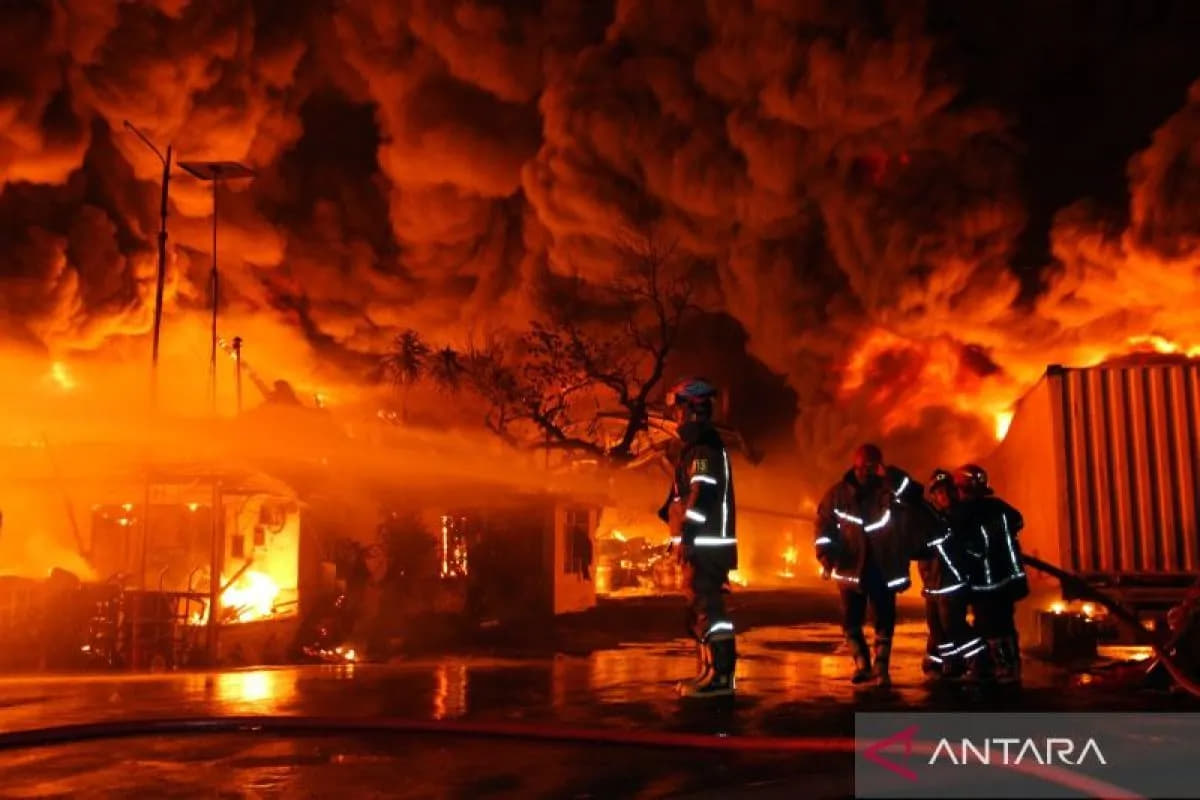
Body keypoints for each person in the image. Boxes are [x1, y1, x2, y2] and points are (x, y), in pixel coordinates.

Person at [658, 378, 738, 698]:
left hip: (706, 546)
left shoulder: (703, 450)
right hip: (701, 544)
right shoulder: (697, 448)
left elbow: (702, 493)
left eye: (678, 409)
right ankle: (710, 670)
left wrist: (689, 533)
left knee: (709, 610)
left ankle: (721, 677)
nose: (674, 416)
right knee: (701, 610)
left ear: (693, 410)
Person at [814, 444, 912, 685]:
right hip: (850, 568)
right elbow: (824, 525)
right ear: (855, 465)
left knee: (884, 620)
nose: (867, 471)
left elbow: (913, 492)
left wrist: (889, 474)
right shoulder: (837, 495)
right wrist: (825, 554)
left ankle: (881, 668)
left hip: (882, 567)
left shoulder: (889, 490)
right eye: (864, 466)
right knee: (851, 622)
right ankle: (861, 664)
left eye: (872, 466)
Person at [951, 463, 1027, 684]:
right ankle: (1005, 666)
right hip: (1008, 579)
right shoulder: (998, 507)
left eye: (959, 488)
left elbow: (975, 548)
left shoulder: (968, 513)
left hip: (986, 582)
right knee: (1002, 623)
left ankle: (1003, 668)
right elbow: (1018, 520)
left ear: (965, 488)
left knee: (992, 626)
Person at [917, 469, 985, 679]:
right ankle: (950, 663)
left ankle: (979, 660)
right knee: (936, 627)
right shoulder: (930, 519)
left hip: (952, 582)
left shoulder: (961, 516)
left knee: (953, 625)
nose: (944, 495)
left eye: (947, 490)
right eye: (938, 492)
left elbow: (969, 548)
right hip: (932, 583)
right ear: (933, 496)